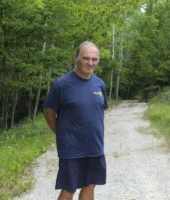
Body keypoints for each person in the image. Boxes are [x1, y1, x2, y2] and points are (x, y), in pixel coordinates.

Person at [43, 41, 108, 200]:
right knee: (68, 189)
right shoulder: (62, 84)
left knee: (90, 185)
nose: (90, 63)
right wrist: (60, 133)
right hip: (71, 149)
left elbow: (97, 112)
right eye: (86, 58)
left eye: (94, 59)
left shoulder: (100, 84)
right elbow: (48, 111)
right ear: (76, 58)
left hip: (95, 147)